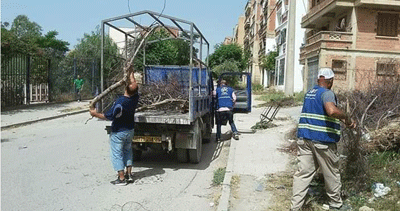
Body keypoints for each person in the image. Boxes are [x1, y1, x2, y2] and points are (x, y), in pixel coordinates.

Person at [291, 68, 356, 211]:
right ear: (330, 81)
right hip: (322, 141)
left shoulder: (309, 93)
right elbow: (331, 111)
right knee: (331, 173)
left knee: (303, 173)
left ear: (318, 79)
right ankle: (335, 205)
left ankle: (295, 207)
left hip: (305, 139)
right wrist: (346, 117)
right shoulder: (327, 93)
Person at [89, 72, 139, 186]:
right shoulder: (135, 98)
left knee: (117, 154)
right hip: (130, 130)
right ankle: (129, 174)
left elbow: (108, 116)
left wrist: (95, 114)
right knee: (128, 151)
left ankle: (121, 179)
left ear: (125, 87)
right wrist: (130, 72)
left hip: (119, 131)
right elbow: (134, 84)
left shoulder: (120, 103)